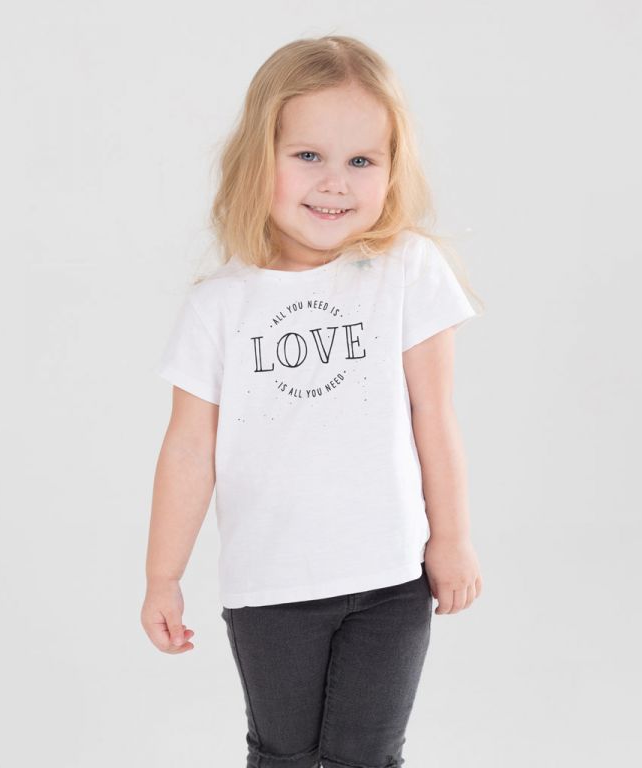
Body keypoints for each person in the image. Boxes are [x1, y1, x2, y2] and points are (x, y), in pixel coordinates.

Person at [141, 34, 485, 768]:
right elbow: (189, 449)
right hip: (271, 588)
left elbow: (434, 414)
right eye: (308, 155)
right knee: (284, 755)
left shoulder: (406, 270)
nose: (336, 183)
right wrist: (162, 577)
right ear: (259, 158)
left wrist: (451, 538)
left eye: (362, 161)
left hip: (391, 579)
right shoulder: (220, 305)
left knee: (369, 755)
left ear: (392, 170)